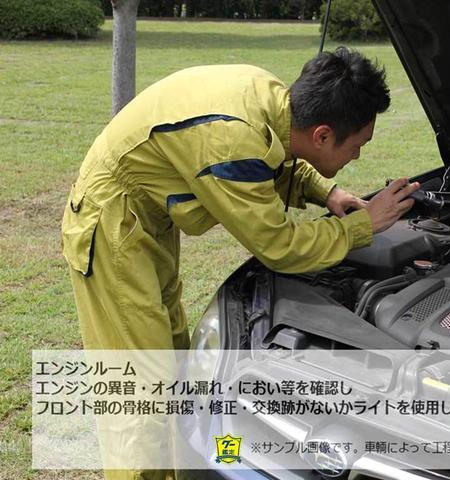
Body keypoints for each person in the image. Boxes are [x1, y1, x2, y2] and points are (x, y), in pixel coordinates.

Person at [61, 46, 419, 478]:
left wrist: (328, 193)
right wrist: (363, 226)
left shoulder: (273, 101)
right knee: (143, 388)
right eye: (358, 146)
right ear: (323, 135)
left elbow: (274, 158)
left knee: (171, 358)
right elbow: (279, 246)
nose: (356, 156)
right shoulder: (231, 139)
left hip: (144, 222)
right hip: (112, 224)